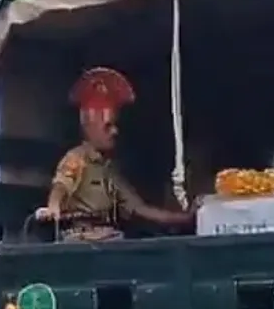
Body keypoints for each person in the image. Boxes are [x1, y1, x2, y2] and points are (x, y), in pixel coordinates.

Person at [35, 67, 194, 240]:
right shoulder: (76, 159)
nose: (114, 132)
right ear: (89, 126)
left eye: (115, 125)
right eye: (108, 126)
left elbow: (139, 209)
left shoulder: (109, 171)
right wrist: (53, 207)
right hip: (79, 240)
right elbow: (61, 185)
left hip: (109, 237)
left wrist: (184, 218)